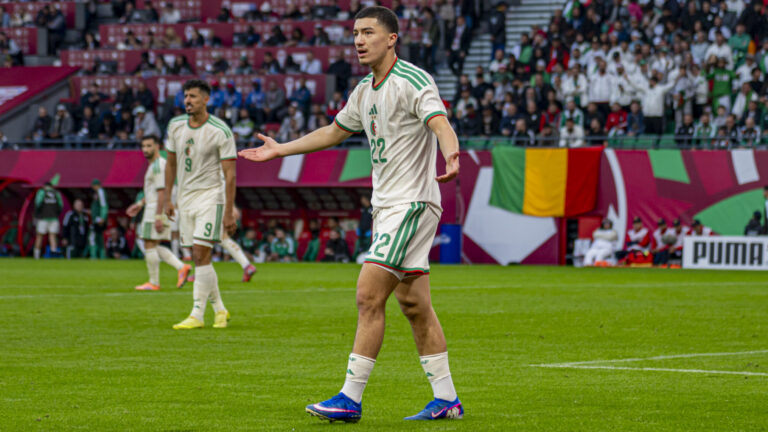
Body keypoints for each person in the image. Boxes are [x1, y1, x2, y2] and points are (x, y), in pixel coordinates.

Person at [239, 6, 462, 422]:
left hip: (411, 202)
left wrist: (451, 152)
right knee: (414, 305)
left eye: (368, 33)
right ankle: (447, 399)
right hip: (388, 207)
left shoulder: (413, 80)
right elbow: (334, 131)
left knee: (367, 294)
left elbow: (440, 122)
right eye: (356, 33)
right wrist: (280, 149)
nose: (359, 40)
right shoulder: (363, 89)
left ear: (392, 38)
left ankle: (350, 397)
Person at [164, 80, 237, 330]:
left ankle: (197, 313)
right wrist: (167, 199)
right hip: (185, 198)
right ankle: (220, 310)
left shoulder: (220, 130)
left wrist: (228, 211)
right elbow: (170, 164)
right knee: (199, 256)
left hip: (210, 196)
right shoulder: (174, 126)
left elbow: (231, 175)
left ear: (206, 100)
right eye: (185, 96)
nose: (187, 101)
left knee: (199, 251)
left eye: (193, 96)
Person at [126, 135, 192, 291]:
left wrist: (158, 217)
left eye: (149, 146)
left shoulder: (157, 166)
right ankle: (181, 267)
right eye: (144, 146)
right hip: (155, 207)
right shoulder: (158, 165)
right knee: (153, 244)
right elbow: (154, 192)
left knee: (149, 243)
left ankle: (154, 282)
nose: (146, 149)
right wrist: (140, 204)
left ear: (157, 147)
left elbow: (162, 192)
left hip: (156, 209)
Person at [33, 181, 63, 259]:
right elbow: (60, 205)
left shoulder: (42, 192)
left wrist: (37, 215)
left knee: (39, 236)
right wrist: (56, 213)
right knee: (52, 236)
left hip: (43, 218)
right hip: (54, 218)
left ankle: (36, 255)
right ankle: (54, 254)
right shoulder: (56, 193)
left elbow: (37, 203)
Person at [89, 179, 108, 259]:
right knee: (99, 239)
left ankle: (94, 256)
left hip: (98, 219)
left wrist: (102, 218)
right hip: (97, 218)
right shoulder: (98, 192)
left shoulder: (100, 191)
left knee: (92, 237)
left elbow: (104, 205)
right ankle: (101, 257)